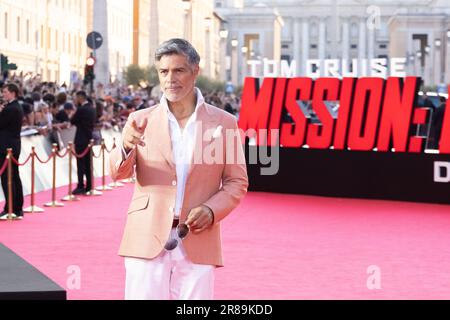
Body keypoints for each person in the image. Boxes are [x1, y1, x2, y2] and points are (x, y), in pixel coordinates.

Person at [109, 38, 248, 300]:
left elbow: (236, 182)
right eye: (164, 71)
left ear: (195, 72)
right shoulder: (140, 120)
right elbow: (118, 173)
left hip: (198, 238)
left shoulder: (224, 122)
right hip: (145, 236)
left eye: (179, 70)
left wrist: (211, 209)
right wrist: (126, 147)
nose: (170, 79)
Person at [0, 83, 24, 220]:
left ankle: (10, 207)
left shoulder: (10, 109)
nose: (3, 94)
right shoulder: (15, 107)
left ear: (13, 93)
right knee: (14, 176)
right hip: (13, 145)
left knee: (7, 178)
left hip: (6, 147)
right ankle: (17, 207)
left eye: (5, 92)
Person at [71, 91, 96, 195]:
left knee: (80, 163)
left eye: (76, 98)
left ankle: (81, 185)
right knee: (88, 163)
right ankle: (89, 185)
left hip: (81, 138)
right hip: (89, 138)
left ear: (80, 98)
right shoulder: (92, 109)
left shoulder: (81, 109)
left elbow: (73, 120)